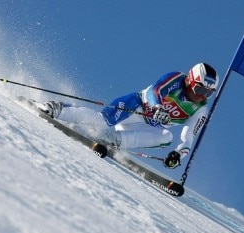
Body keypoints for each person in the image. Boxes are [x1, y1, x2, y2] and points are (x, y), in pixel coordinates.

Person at [37, 63, 219, 169]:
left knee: (167, 137)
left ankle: (112, 140)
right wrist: (157, 108)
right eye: (200, 89)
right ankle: (57, 109)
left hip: (148, 127)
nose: (202, 96)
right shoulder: (176, 79)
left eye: (208, 94)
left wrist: (178, 155)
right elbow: (154, 92)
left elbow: (188, 138)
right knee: (103, 120)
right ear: (190, 81)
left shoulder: (200, 109)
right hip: (137, 106)